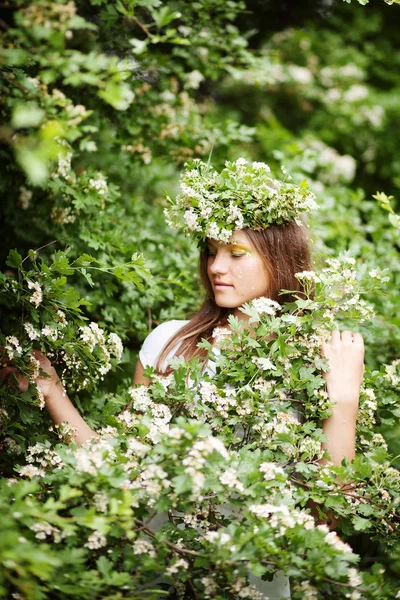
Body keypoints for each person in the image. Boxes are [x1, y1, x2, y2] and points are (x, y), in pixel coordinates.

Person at [5, 159, 365, 598]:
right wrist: (51, 391)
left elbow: (328, 511)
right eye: (211, 252)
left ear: (280, 259)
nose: (216, 266)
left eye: (236, 254)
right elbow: (120, 468)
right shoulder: (168, 342)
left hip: (248, 581)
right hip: (152, 570)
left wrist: (344, 400)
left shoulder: (316, 358)